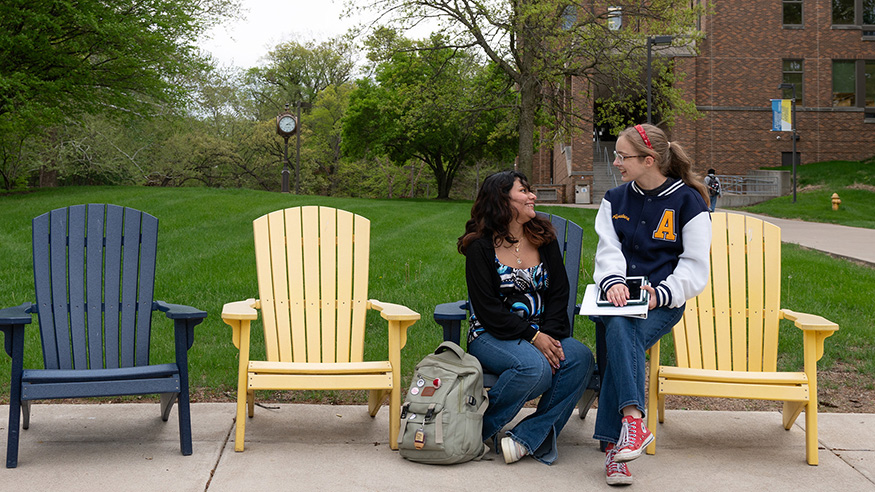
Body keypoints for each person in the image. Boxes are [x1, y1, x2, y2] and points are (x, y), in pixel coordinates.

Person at [594, 124, 711, 485]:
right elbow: (608, 251)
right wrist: (613, 281)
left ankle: (622, 436)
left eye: (622, 156)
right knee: (618, 323)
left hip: (663, 303)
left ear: (649, 160)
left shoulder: (688, 202)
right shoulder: (615, 199)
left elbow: (695, 268)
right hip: (617, 300)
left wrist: (660, 293)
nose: (615, 163)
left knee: (618, 332)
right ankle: (630, 429)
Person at [457, 170, 594, 466]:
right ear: (502, 201)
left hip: (543, 333)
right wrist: (534, 337)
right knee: (534, 369)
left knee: (580, 357)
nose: (533, 196)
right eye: (524, 191)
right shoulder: (480, 247)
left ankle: (525, 438)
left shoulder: (542, 238)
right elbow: (488, 309)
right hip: (492, 335)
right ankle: (475, 430)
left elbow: (560, 294)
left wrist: (550, 336)